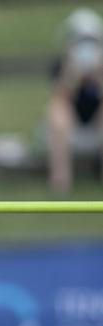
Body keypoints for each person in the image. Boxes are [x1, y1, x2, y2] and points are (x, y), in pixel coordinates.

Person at [46, 7, 103, 194]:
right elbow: (60, 97)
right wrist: (72, 75)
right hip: (72, 121)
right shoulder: (61, 63)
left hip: (97, 119)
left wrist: (97, 76)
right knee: (57, 111)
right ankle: (61, 182)